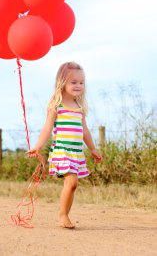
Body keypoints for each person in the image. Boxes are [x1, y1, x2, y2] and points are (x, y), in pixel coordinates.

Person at [27, 61, 102, 229]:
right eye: (73, 82)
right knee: (72, 182)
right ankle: (63, 215)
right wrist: (38, 146)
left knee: (73, 186)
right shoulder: (56, 104)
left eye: (81, 82)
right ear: (62, 82)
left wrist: (93, 149)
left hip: (76, 152)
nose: (78, 85)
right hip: (62, 151)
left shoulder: (79, 107)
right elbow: (47, 127)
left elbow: (85, 131)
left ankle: (65, 215)